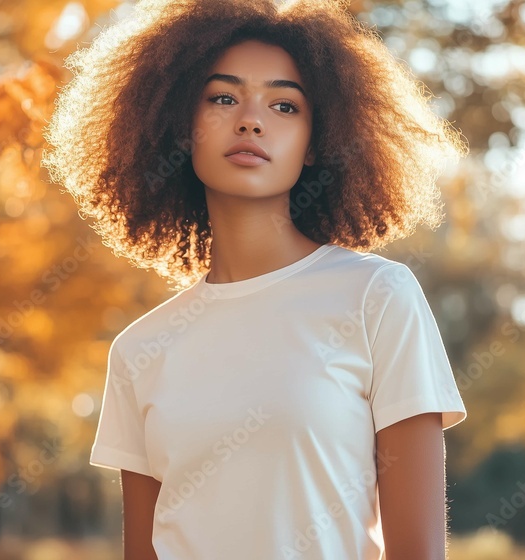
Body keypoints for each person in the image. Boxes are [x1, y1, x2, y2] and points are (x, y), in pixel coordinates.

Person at [42, 0, 469, 558]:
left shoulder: (378, 298)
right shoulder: (138, 350)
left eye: (284, 105)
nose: (250, 119)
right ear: (179, 125)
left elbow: (418, 552)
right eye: (223, 98)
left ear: (316, 143)